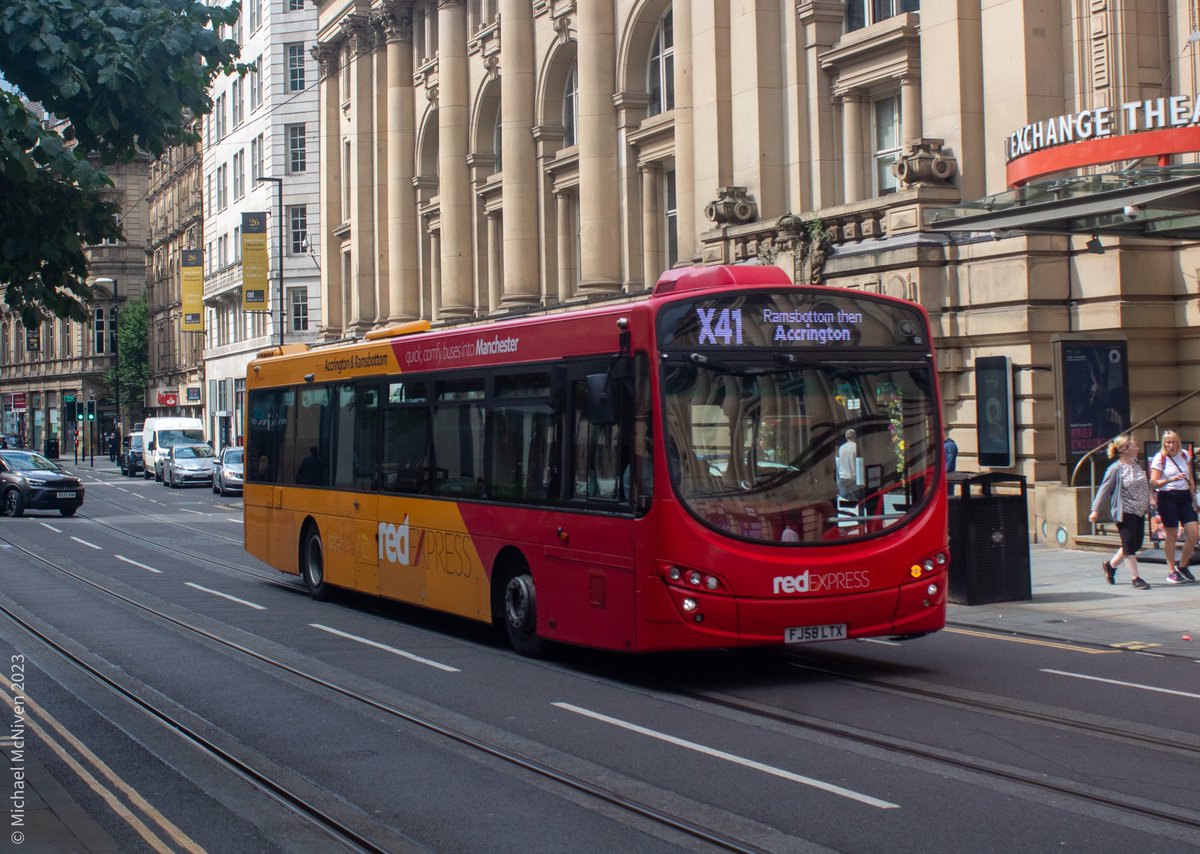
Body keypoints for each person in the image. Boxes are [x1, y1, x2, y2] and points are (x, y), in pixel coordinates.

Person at [1088, 434, 1151, 590]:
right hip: (1124, 511)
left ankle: (1111, 565)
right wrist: (1095, 510)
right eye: (1134, 446)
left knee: (1136, 543)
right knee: (1129, 544)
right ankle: (1135, 578)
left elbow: (1145, 485)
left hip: (1139, 510)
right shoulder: (1115, 469)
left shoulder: (1138, 464)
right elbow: (1104, 490)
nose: (1137, 448)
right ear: (1125, 449)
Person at [1149, 430, 1198, 583]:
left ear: (1178, 442)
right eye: (1168, 442)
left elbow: (1190, 476)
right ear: (1164, 443)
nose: (1171, 445)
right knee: (1171, 534)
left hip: (1184, 497)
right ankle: (1171, 570)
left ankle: (1183, 565)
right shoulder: (1160, 458)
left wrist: (1194, 495)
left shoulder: (1184, 454)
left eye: (1174, 442)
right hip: (1167, 497)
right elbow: (1153, 482)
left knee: (1193, 532)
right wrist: (1170, 479)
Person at [837, 429, 859, 500]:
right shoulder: (856, 447)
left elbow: (839, 464)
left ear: (846, 437)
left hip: (843, 478)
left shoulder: (841, 448)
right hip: (854, 478)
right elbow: (859, 464)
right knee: (856, 503)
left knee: (844, 503)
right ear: (854, 436)